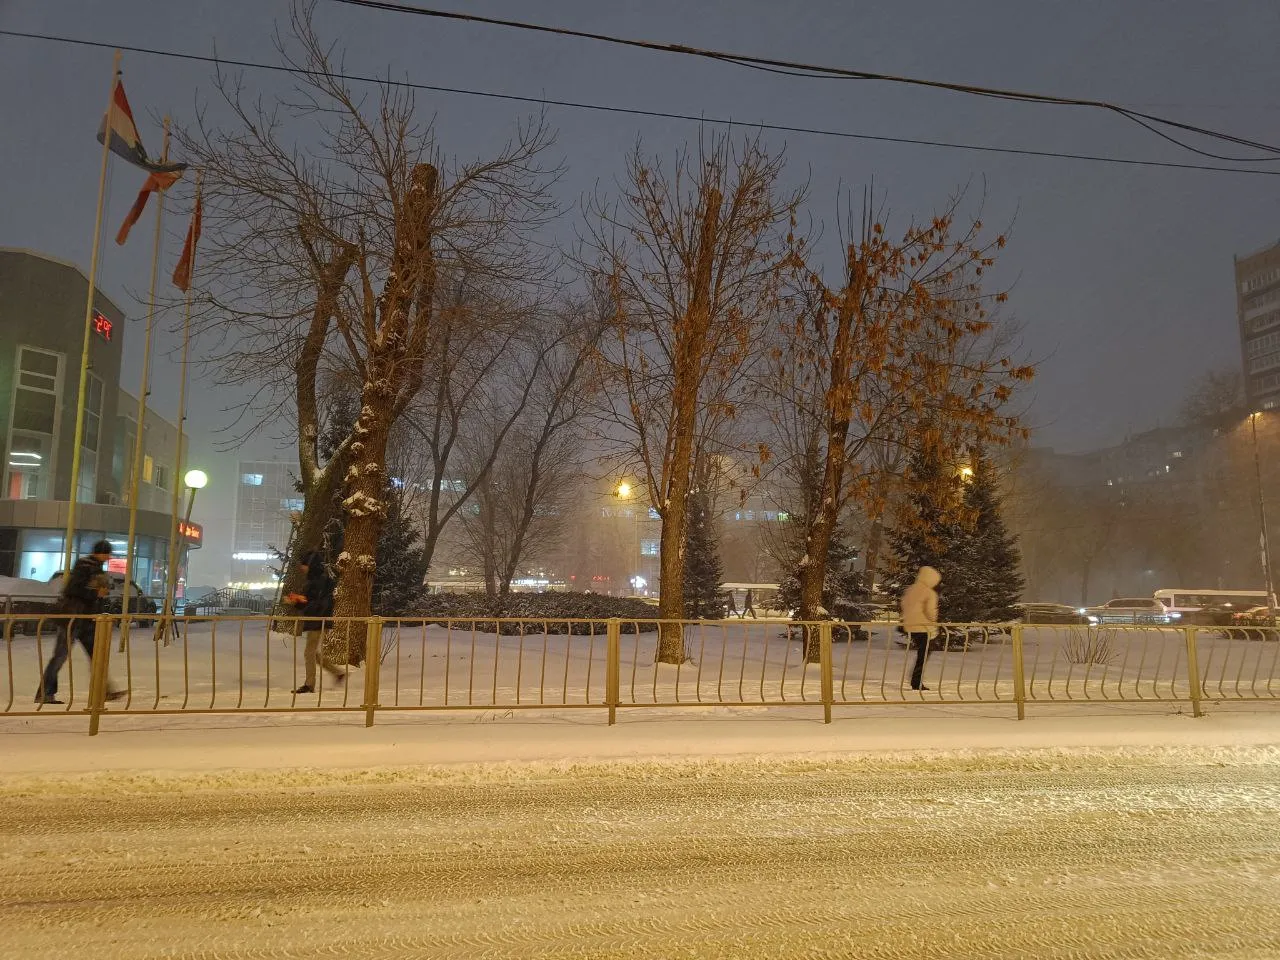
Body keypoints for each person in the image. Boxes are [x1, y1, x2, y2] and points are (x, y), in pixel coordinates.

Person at [35, 540, 125, 705]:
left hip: (86, 620)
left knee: (97, 656)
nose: (109, 556)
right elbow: (73, 590)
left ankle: (104, 691)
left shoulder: (96, 567)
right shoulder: (84, 566)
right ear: (101, 552)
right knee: (60, 657)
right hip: (73, 619)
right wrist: (96, 593)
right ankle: (44, 693)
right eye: (107, 553)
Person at [285, 551, 344, 694]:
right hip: (315, 620)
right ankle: (337, 673)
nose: (302, 568)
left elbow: (320, 604)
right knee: (312, 654)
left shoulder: (320, 581)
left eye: (304, 565)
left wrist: (302, 601)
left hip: (319, 621)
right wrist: (297, 601)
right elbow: (309, 602)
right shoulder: (313, 581)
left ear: (310, 565)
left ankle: (309, 684)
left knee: (309, 653)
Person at [900, 566, 941, 691]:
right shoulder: (929, 592)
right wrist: (934, 620)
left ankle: (916, 680)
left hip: (910, 627)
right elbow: (931, 612)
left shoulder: (910, 590)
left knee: (922, 654)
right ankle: (916, 681)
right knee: (923, 655)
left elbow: (903, 605)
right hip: (924, 628)